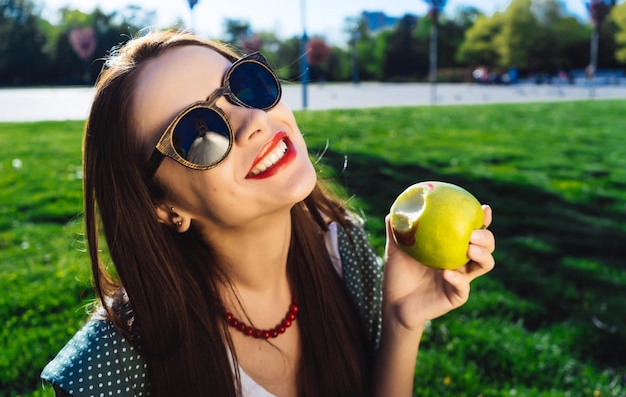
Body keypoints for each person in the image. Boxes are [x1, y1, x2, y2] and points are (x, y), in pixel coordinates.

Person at [41, 29, 495, 397]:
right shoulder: (110, 369)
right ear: (163, 206)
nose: (252, 120)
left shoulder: (346, 251)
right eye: (198, 133)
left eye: (245, 86)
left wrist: (400, 322)